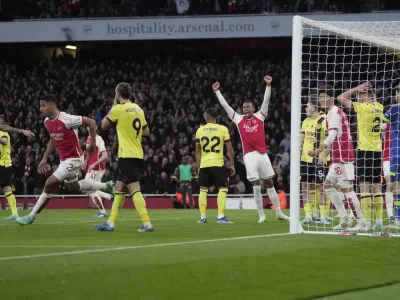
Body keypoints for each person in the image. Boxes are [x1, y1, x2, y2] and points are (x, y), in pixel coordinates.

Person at [16, 94, 114, 225]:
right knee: (74, 187)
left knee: (49, 183)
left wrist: (92, 142)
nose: (40, 108)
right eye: (40, 105)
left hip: (74, 159)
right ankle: (107, 186)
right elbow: (53, 139)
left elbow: (91, 122)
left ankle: (31, 216)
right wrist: (45, 158)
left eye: (43, 105)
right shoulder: (47, 122)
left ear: (52, 106)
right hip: (64, 160)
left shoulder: (67, 119)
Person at [213, 76, 289, 223]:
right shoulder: (238, 119)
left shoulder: (260, 116)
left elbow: (266, 101)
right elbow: (226, 106)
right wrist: (217, 92)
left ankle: (279, 212)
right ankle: (261, 215)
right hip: (249, 156)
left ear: (253, 108)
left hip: (262, 154)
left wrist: (268, 86)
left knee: (269, 183)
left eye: (247, 107)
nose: (245, 109)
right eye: (243, 107)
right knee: (255, 184)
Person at [94, 82, 153, 232]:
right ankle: (110, 223)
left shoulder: (118, 109)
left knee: (134, 189)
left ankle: (147, 224)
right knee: (120, 188)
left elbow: (104, 125)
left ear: (118, 94)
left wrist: (114, 105)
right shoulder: (138, 109)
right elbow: (146, 132)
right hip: (138, 154)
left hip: (127, 155)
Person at [310, 85, 366, 231]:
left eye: (323, 97)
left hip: (343, 158)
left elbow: (332, 135)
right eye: (319, 98)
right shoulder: (335, 112)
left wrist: (318, 151)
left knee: (348, 190)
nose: (320, 100)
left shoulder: (333, 113)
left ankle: (361, 222)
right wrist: (325, 155)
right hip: (338, 157)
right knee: (327, 186)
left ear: (330, 98)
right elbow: (335, 137)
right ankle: (344, 217)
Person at [338, 82, 387, 230]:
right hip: (377, 151)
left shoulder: (362, 108)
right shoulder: (379, 107)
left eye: (362, 94)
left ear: (368, 95)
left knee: (364, 187)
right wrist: (363, 92)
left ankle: (366, 221)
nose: (359, 97)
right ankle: (378, 221)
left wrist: (355, 89)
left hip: (365, 151)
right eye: (359, 95)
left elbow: (341, 98)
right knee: (377, 187)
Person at [195, 108, 235, 224]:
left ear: (207, 117)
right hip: (217, 162)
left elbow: (197, 150)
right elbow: (230, 149)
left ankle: (202, 218)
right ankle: (220, 216)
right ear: (215, 117)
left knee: (203, 189)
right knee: (222, 188)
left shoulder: (200, 130)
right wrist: (232, 164)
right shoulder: (223, 129)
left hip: (204, 163)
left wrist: (198, 166)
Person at [300, 97, 331, 225]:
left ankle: (323, 216)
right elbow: (301, 140)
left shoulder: (324, 120)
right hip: (305, 160)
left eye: (307, 106)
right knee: (305, 187)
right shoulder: (305, 121)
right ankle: (308, 216)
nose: (306, 108)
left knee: (322, 187)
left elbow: (330, 141)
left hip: (320, 160)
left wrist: (324, 156)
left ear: (313, 107)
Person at [0, 116, 35, 220]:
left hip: (3, 165)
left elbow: (4, 141)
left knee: (7, 189)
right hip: (5, 166)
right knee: (7, 190)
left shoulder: (3, 133)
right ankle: (15, 213)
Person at [83, 128, 113, 218]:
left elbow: (105, 155)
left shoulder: (98, 139)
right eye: (88, 126)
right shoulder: (89, 138)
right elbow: (89, 153)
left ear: (95, 128)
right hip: (92, 168)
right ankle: (109, 196)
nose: (90, 127)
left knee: (90, 189)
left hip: (97, 169)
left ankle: (103, 211)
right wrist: (86, 161)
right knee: (86, 189)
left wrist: (94, 164)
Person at [383, 85, 400, 228]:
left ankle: (397, 217)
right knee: (394, 185)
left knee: (395, 186)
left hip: (396, 153)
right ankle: (395, 216)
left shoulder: (394, 110)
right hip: (392, 153)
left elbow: (379, 119)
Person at [382, 122, 394, 223]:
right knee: (389, 184)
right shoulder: (387, 124)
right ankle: (390, 215)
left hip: (397, 157)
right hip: (388, 157)